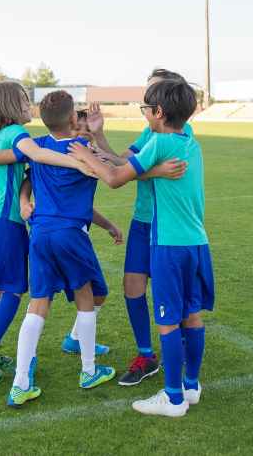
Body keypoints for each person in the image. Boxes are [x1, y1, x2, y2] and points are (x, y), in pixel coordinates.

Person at [70, 79, 212, 418]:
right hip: (196, 243)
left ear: (159, 112)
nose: (144, 114)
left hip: (168, 245)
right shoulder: (189, 143)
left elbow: (115, 177)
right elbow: (129, 164)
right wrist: (153, 170)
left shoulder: (159, 141)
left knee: (168, 321)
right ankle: (191, 386)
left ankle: (173, 399)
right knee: (191, 314)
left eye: (146, 108)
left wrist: (86, 154)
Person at [0, 81, 94, 384]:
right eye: (24, 101)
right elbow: (37, 154)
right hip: (4, 222)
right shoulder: (17, 133)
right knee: (12, 290)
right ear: (11, 106)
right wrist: (77, 163)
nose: (29, 106)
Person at [6, 90, 122, 407]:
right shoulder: (84, 151)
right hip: (70, 235)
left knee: (38, 303)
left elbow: (28, 178)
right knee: (86, 296)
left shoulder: (38, 146)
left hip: (40, 233)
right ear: (73, 118)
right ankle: (89, 371)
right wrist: (98, 137)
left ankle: (20, 383)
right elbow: (119, 170)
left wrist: (24, 200)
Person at [84, 68, 192, 387]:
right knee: (132, 287)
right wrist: (98, 136)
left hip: (167, 225)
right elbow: (122, 162)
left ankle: (182, 344)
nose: (147, 100)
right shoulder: (149, 132)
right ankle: (146, 356)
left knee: (171, 292)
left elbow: (124, 173)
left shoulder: (178, 131)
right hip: (142, 221)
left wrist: (147, 169)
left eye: (152, 94)